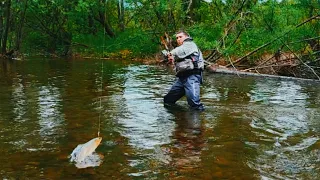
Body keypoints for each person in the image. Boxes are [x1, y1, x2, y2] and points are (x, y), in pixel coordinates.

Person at [164, 30, 205, 111]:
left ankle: (198, 121)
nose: (178, 39)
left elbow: (179, 50)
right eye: (177, 38)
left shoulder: (190, 44)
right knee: (168, 100)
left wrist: (170, 54)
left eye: (180, 37)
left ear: (186, 37)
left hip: (192, 77)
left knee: (194, 104)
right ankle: (180, 118)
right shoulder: (184, 49)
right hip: (182, 78)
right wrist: (171, 59)